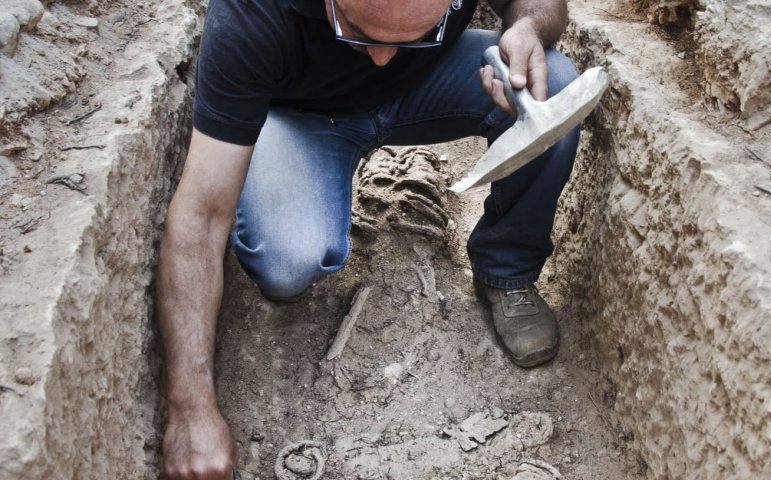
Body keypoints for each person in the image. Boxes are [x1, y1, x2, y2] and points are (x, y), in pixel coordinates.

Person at [156, 0, 580, 477]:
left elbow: (542, 4)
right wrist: (189, 409)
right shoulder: (251, 15)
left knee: (555, 83)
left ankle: (506, 272)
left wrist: (526, 27)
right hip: (303, 116)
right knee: (287, 265)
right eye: (358, 31)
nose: (381, 58)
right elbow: (202, 214)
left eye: (416, 31)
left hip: (427, 84)